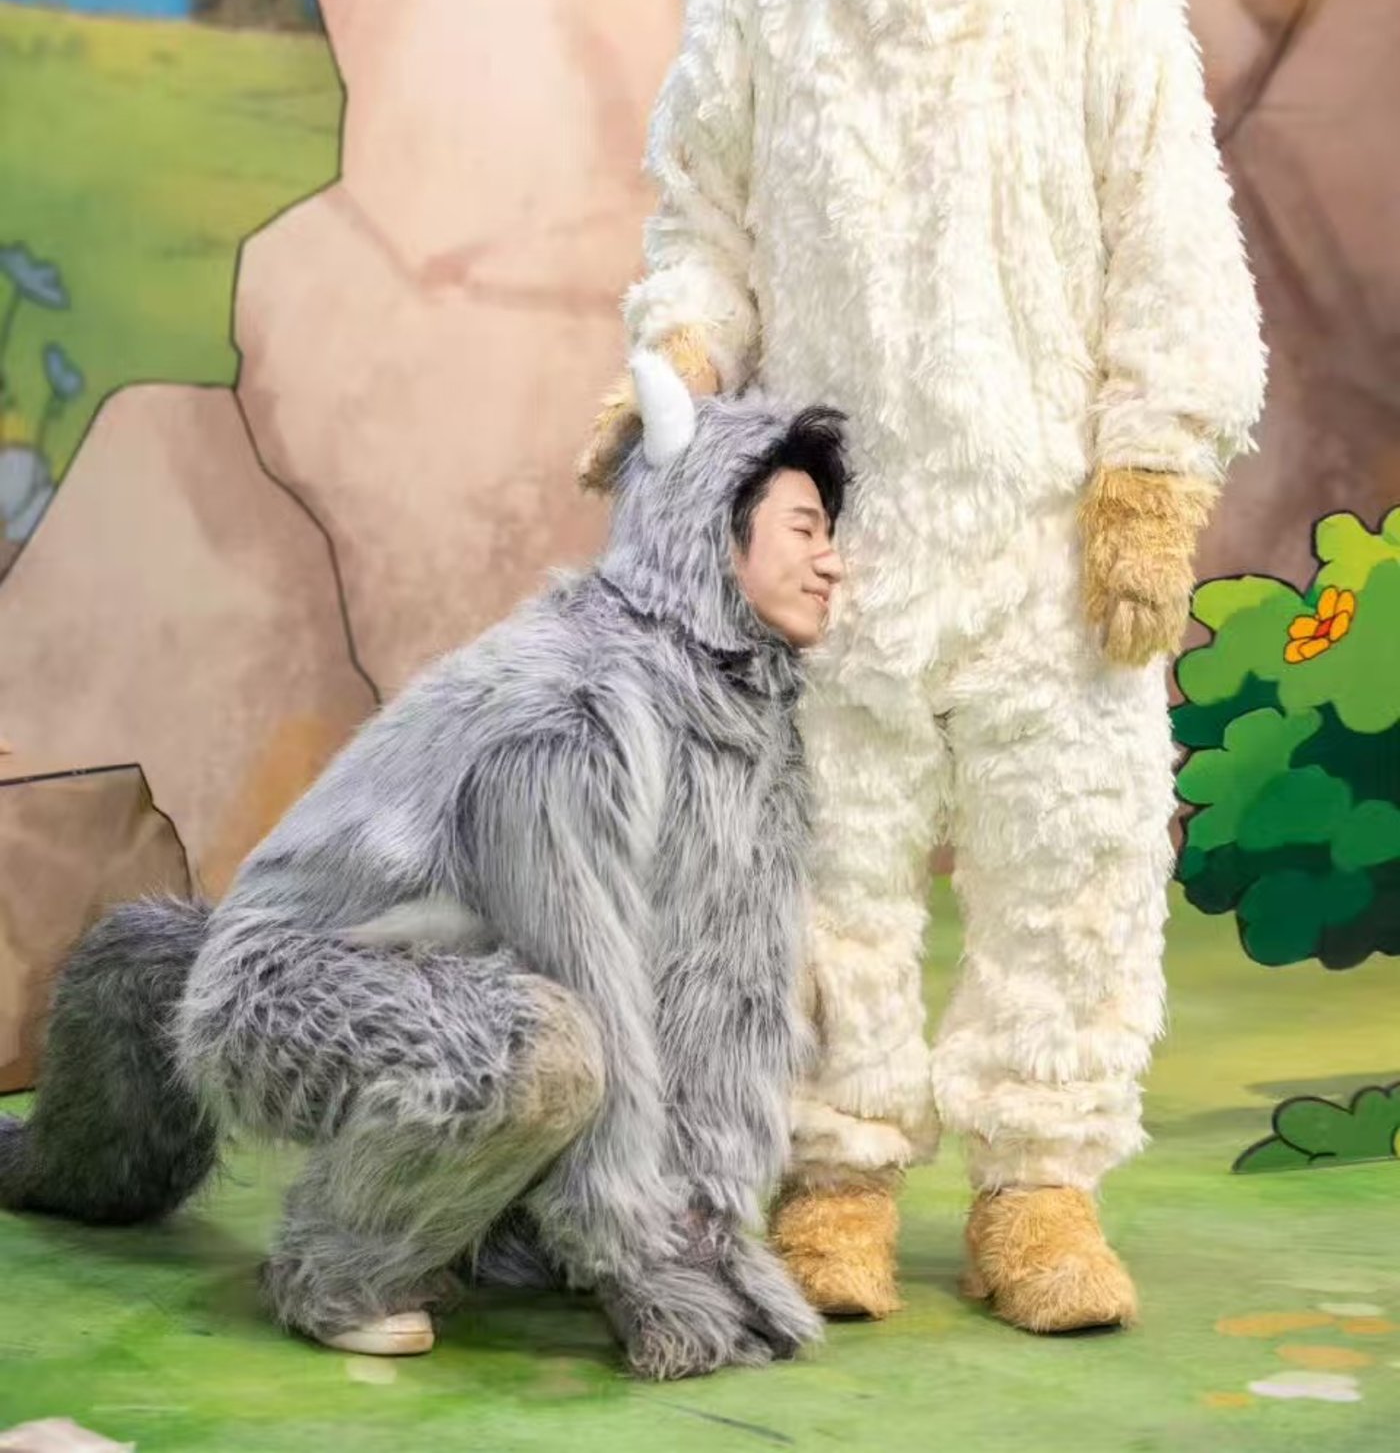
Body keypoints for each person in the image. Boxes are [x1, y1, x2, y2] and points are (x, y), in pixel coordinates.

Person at [579, 0, 1266, 1334]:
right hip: (840, 546)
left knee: (1073, 861)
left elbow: (1173, 241)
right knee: (825, 869)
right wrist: (671, 358)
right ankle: (840, 1175)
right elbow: (705, 235)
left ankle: (1039, 1191)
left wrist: (1153, 472)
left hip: (1046, 532)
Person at [1, 355, 847, 1383]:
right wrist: (638, 1254)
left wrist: (705, 1230)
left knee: (610, 1025)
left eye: (828, 534)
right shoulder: (568, 709)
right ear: (707, 528)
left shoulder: (741, 723)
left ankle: (496, 1226)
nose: (830, 562)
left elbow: (717, 996)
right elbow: (585, 974)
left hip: (446, 978)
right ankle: (341, 1267)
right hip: (291, 982)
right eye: (803, 529)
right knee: (546, 1054)